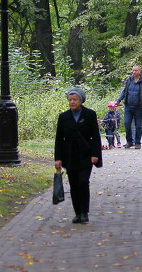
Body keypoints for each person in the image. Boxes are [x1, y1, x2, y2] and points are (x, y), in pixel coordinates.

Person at [54, 87, 101, 224]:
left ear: (81, 100)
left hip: (86, 155)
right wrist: (58, 158)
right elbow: (59, 139)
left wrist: (95, 154)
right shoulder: (63, 117)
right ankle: (78, 213)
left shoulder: (90, 115)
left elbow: (95, 137)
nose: (72, 102)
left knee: (83, 182)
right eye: (70, 100)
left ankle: (84, 212)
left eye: (75, 99)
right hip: (70, 156)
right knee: (74, 185)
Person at [117, 64, 142, 149]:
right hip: (128, 106)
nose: (134, 72)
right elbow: (124, 91)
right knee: (127, 123)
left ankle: (137, 142)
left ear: (140, 71)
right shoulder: (129, 80)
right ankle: (129, 141)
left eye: (136, 70)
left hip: (138, 107)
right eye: (133, 70)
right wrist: (118, 100)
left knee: (138, 125)